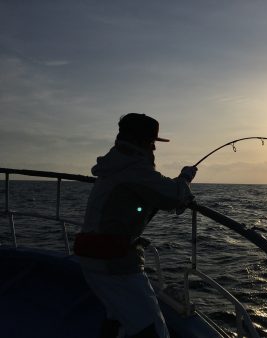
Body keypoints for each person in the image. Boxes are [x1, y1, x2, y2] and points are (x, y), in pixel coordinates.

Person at [74, 113, 197, 338]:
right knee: (152, 329)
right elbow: (172, 196)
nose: (154, 148)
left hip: (94, 256)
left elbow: (150, 189)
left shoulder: (116, 165)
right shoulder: (134, 169)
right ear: (142, 142)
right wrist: (186, 178)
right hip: (113, 262)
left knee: (117, 315)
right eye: (152, 142)